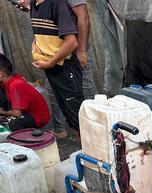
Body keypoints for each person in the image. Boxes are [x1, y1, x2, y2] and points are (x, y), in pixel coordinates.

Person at [15, 0, 96, 139]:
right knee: (59, 97)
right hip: (55, 56)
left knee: (81, 98)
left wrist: (81, 50)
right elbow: (43, 23)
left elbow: (83, 17)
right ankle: (63, 129)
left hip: (69, 57)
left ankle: (94, 132)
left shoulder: (58, 4)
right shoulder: (38, 4)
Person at [28, 0, 84, 137]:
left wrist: (50, 62)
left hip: (65, 69)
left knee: (78, 120)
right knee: (70, 115)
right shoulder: (34, 4)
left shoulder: (57, 4)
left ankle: (91, 155)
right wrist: (34, 44)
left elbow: (71, 42)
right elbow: (40, 34)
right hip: (52, 69)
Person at [0, 53, 50, 131]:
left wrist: (2, 113)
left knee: (11, 124)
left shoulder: (15, 85)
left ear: (1, 74)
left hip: (37, 117)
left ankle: (30, 138)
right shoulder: (8, 82)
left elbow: (17, 113)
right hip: (24, 112)